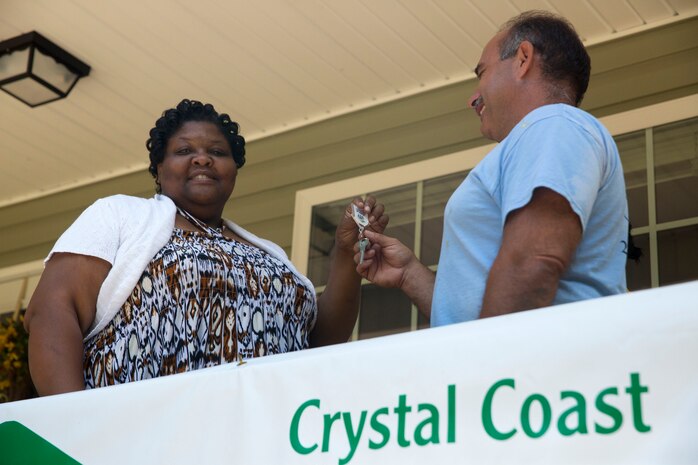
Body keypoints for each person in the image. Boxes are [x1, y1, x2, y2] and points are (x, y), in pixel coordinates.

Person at [24, 99, 388, 396]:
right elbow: (52, 312)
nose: (202, 158)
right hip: (140, 435)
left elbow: (316, 344)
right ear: (159, 169)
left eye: (217, 151)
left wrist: (344, 253)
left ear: (233, 170)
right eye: (184, 150)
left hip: (261, 437)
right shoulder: (120, 215)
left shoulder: (268, 254)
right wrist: (71, 424)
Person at [357, 11, 628, 325]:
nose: (473, 97)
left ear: (523, 58)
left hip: (529, 370)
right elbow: (473, 318)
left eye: (481, 72)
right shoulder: (545, 134)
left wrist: (490, 368)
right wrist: (409, 274)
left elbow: (533, 262)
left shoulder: (554, 123)